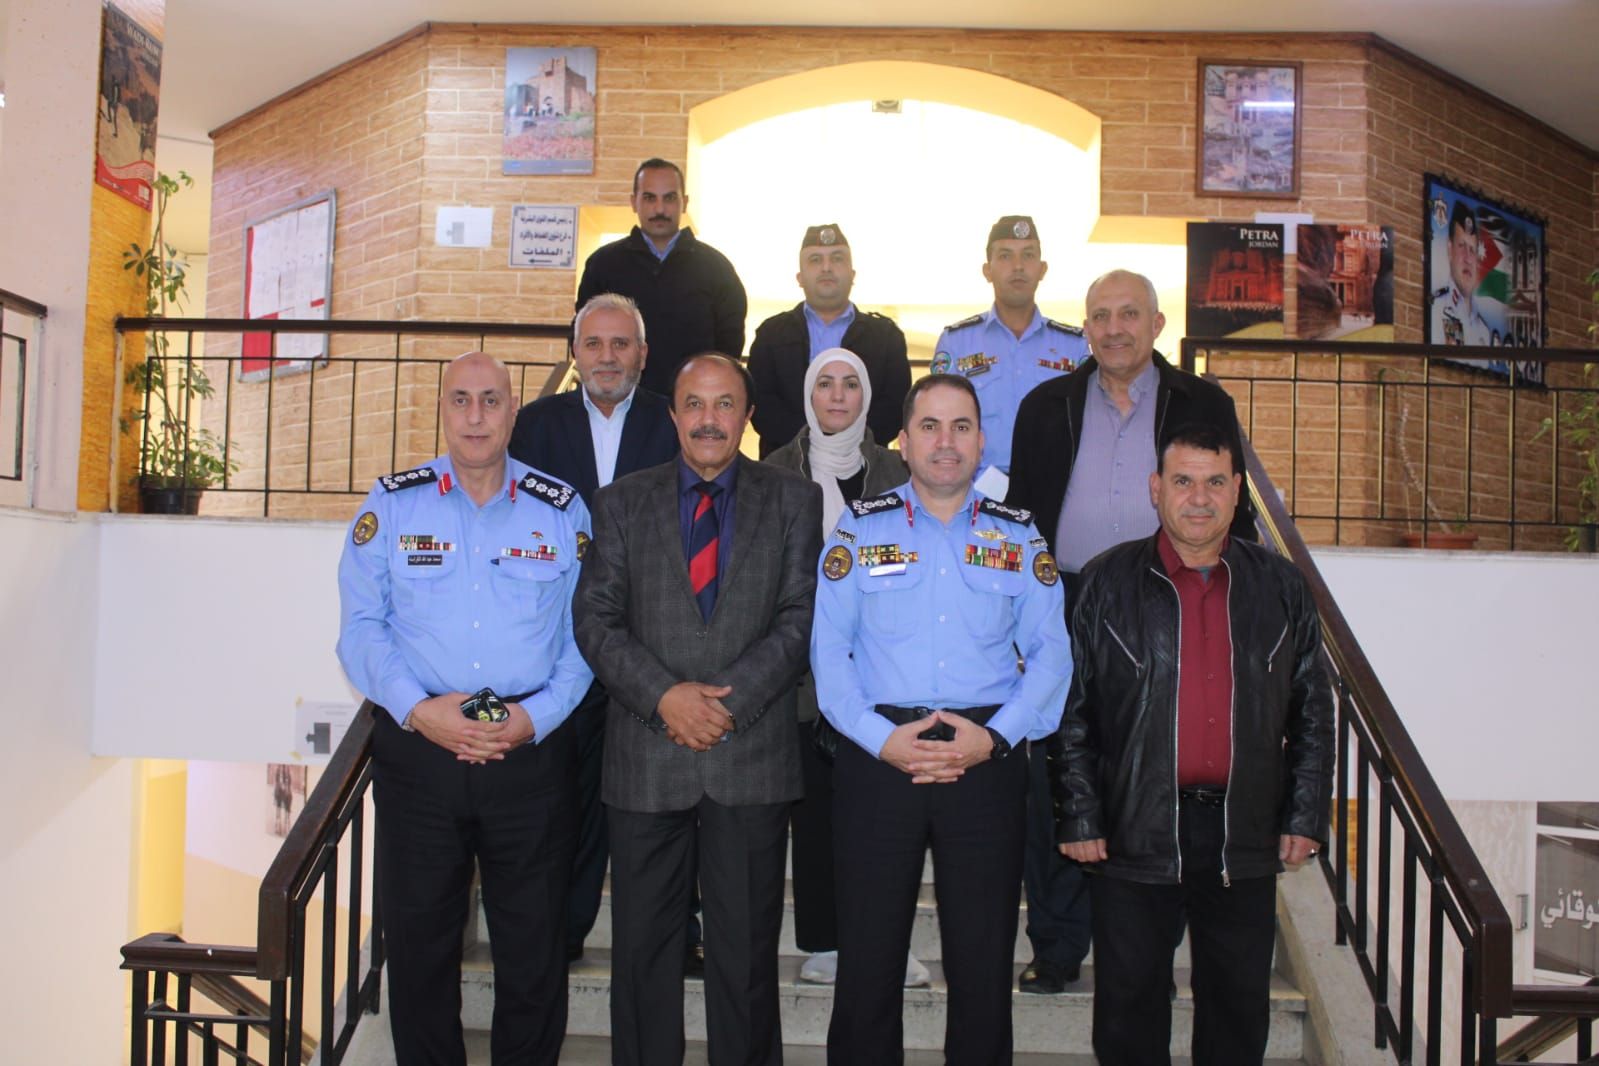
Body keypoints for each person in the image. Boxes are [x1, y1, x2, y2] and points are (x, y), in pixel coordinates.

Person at [336, 351, 594, 1066]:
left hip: (529, 757)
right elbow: (360, 631)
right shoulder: (392, 504)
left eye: (490, 400)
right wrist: (419, 711)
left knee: (534, 949)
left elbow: (587, 635)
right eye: (461, 400)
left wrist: (536, 718)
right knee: (418, 948)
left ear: (514, 411)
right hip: (420, 757)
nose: (475, 416)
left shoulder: (560, 509)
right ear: (442, 410)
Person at [1004, 267, 1257, 996]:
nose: (1113, 328)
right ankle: (1057, 943)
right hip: (1063, 604)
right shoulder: (1045, 406)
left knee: (1152, 777)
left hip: (1167, 602)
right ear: (1084, 327)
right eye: (1100, 316)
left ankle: (1149, 949)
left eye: (1128, 314)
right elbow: (1020, 518)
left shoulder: (1201, 402)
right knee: (1058, 772)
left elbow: (1232, 512)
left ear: (1156, 323)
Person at [1050, 422, 1333, 1066]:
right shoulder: (1104, 581)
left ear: (1236, 492)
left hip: (1244, 833)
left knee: (1238, 1010)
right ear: (1156, 489)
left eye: (1214, 483)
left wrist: (1305, 814)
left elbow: (1313, 710)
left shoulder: (1281, 587)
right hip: (1134, 829)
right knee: (1127, 1010)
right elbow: (1071, 709)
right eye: (1183, 481)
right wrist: (1081, 814)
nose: (1198, 498)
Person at [812, 374, 1072, 1065]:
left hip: (983, 760)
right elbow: (828, 652)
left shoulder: (1017, 533)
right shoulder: (859, 527)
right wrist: (880, 739)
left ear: (982, 441)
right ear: (903, 440)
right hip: (879, 758)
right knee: (867, 962)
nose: (945, 441)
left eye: (961, 426)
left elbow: (1052, 654)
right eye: (929, 426)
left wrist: (996, 737)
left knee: (982, 963)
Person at [574, 353, 822, 1066]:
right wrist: (665, 698)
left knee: (745, 959)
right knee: (642, 957)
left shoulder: (794, 498)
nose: (708, 419)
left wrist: (724, 706)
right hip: (646, 758)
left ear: (747, 416)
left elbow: (801, 617)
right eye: (694, 404)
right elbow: (595, 621)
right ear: (673, 414)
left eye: (724, 404)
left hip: (751, 757)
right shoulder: (620, 502)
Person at [507, 292, 681, 966]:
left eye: (621, 344)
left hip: (654, 649)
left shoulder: (674, 421)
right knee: (565, 803)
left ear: (643, 353)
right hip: (561, 646)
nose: (607, 356)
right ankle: (565, 931)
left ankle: (672, 934)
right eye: (594, 344)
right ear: (574, 353)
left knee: (658, 805)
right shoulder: (534, 427)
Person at [761, 348, 926, 989]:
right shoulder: (776, 471)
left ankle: (887, 941)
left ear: (867, 396)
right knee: (818, 814)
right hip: (803, 675)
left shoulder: (898, 468)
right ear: (808, 395)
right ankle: (825, 942)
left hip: (888, 670)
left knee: (889, 818)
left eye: (850, 384)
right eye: (825, 383)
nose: (837, 395)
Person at [931, 215, 1088, 481]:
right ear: (987, 270)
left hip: (1054, 487)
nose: (1018, 266)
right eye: (1005, 256)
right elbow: (938, 421)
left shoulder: (1074, 346)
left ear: (1042, 269)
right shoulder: (956, 343)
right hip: (976, 490)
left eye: (1028, 255)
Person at [576, 158, 748, 397]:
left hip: (691, 404)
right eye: (649, 198)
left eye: (669, 198)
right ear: (633, 202)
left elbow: (729, 344)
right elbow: (583, 332)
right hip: (619, 404)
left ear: (684, 203)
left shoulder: (717, 268)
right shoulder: (603, 264)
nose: (659, 209)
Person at [748, 223, 910, 456]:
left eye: (837, 259)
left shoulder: (886, 337)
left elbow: (895, 408)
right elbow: (761, 406)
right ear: (800, 277)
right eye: (815, 260)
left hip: (864, 466)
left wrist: (844, 444)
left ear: (852, 275)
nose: (826, 268)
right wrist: (812, 442)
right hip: (786, 467)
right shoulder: (771, 334)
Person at [1430, 201, 1491, 346]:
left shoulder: (1484, 331)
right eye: (1462, 246)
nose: (1468, 259)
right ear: (1450, 249)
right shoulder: (1436, 309)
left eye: (1472, 250)